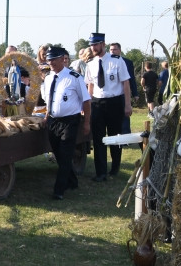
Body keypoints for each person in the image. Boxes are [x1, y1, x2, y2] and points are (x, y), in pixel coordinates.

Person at [41, 46, 91, 200]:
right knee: (58, 154)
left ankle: (59, 190)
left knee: (65, 154)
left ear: (63, 59)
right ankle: (73, 181)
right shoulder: (48, 78)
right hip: (53, 121)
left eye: (53, 59)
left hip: (70, 121)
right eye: (49, 59)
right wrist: (46, 116)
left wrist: (87, 122)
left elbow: (86, 101)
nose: (51, 62)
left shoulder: (74, 77)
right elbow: (50, 100)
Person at [83, 32, 132, 181]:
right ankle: (101, 172)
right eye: (91, 45)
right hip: (97, 104)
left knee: (115, 137)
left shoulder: (117, 61)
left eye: (96, 44)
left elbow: (125, 83)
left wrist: (128, 105)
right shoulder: (90, 64)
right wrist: (88, 105)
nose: (93, 47)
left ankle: (115, 167)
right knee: (98, 138)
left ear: (103, 44)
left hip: (114, 102)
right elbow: (90, 86)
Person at [109, 42, 137, 134]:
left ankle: (126, 136)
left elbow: (131, 79)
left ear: (120, 50)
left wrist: (135, 93)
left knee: (125, 115)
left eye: (114, 49)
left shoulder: (127, 62)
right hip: (112, 94)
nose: (112, 51)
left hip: (124, 93)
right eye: (111, 50)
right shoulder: (106, 62)